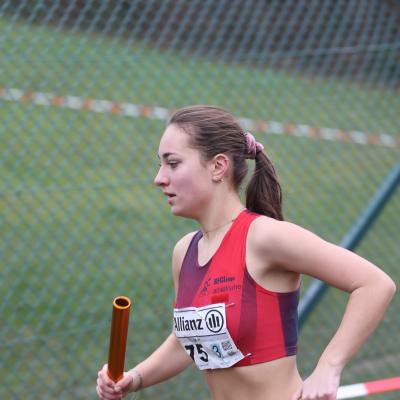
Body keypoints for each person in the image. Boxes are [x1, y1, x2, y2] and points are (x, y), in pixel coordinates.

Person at [96, 105, 396, 400]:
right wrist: (133, 379)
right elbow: (185, 342)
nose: (159, 178)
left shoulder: (264, 237)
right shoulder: (184, 251)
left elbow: (374, 284)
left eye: (172, 163)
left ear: (218, 166)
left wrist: (328, 367)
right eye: (161, 164)